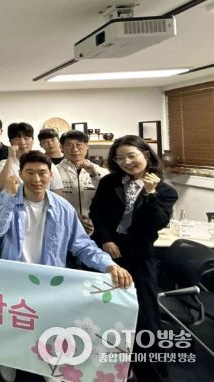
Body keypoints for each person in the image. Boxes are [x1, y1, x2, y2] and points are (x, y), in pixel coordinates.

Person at [0, 150, 133, 382]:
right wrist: (7, 197)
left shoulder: (63, 208)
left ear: (50, 175)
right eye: (30, 172)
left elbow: (82, 246)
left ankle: (50, 364)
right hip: (13, 278)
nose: (36, 179)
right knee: (12, 324)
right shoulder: (6, 199)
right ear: (21, 174)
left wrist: (108, 265)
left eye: (42, 173)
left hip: (48, 280)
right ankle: (9, 360)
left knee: (49, 325)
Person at [90, 135, 177, 382]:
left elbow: (156, 222)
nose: (126, 162)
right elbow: (97, 212)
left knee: (145, 318)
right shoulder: (110, 181)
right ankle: (113, 369)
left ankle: (153, 375)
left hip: (139, 257)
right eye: (120, 158)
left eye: (131, 156)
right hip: (108, 254)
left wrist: (150, 194)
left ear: (146, 155)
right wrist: (106, 240)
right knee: (105, 311)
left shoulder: (165, 190)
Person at [56, 130, 108, 235]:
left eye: (78, 145)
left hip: (96, 228)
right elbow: (50, 202)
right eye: (69, 145)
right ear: (61, 148)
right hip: (65, 227)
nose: (75, 149)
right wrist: (73, 217)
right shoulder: (54, 171)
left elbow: (108, 199)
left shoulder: (102, 172)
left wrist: (94, 175)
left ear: (87, 146)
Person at [0, 122, 63, 193]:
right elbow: (1, 186)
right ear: (10, 142)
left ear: (33, 140)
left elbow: (57, 190)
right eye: (17, 139)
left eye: (26, 138)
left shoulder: (46, 162)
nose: (22, 142)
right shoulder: (3, 164)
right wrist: (10, 158)